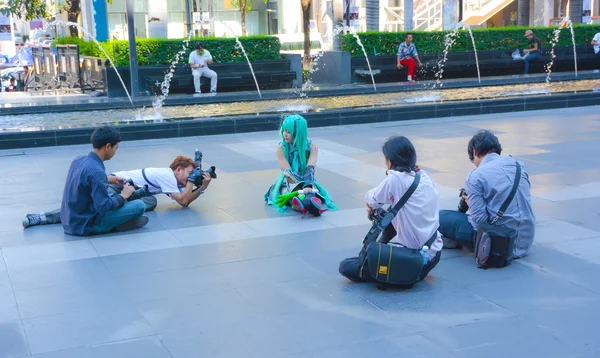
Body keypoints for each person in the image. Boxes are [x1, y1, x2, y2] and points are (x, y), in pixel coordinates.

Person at [339, 136, 443, 283]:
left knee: (346, 266)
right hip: (434, 253)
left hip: (414, 260)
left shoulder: (396, 179)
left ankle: (380, 256)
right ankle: (380, 248)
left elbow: (372, 198)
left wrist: (371, 207)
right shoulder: (424, 175)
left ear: (390, 161)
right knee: (392, 212)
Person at [22, 154, 214, 228]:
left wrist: (202, 188)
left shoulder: (172, 181)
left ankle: (120, 213)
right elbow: (182, 200)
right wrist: (191, 182)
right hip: (116, 184)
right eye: (189, 174)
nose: (190, 178)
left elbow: (186, 199)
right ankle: (42, 217)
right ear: (178, 170)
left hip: (132, 191)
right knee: (94, 208)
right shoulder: (166, 174)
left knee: (150, 202)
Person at [438, 130, 535, 258]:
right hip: (525, 241)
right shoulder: (519, 166)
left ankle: (450, 240)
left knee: (441, 216)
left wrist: (471, 204)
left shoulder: (477, 176)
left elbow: (479, 223)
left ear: (474, 152)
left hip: (497, 244)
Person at [34, 126, 147, 236]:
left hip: (70, 221)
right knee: (139, 205)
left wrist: (114, 179)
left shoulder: (78, 160)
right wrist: (123, 196)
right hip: (86, 225)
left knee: (111, 194)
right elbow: (104, 206)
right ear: (108, 146)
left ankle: (122, 220)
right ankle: (117, 223)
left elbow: (88, 179)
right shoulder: (97, 171)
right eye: (115, 148)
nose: (115, 152)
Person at [264, 114, 337, 216]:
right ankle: (303, 202)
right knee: (286, 192)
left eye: (289, 132)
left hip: (307, 179)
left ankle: (306, 202)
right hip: (288, 181)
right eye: (284, 130)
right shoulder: (281, 149)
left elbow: (310, 168)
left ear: (298, 132)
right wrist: (298, 190)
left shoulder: (312, 147)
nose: (285, 134)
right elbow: (287, 172)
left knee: (312, 192)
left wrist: (307, 185)